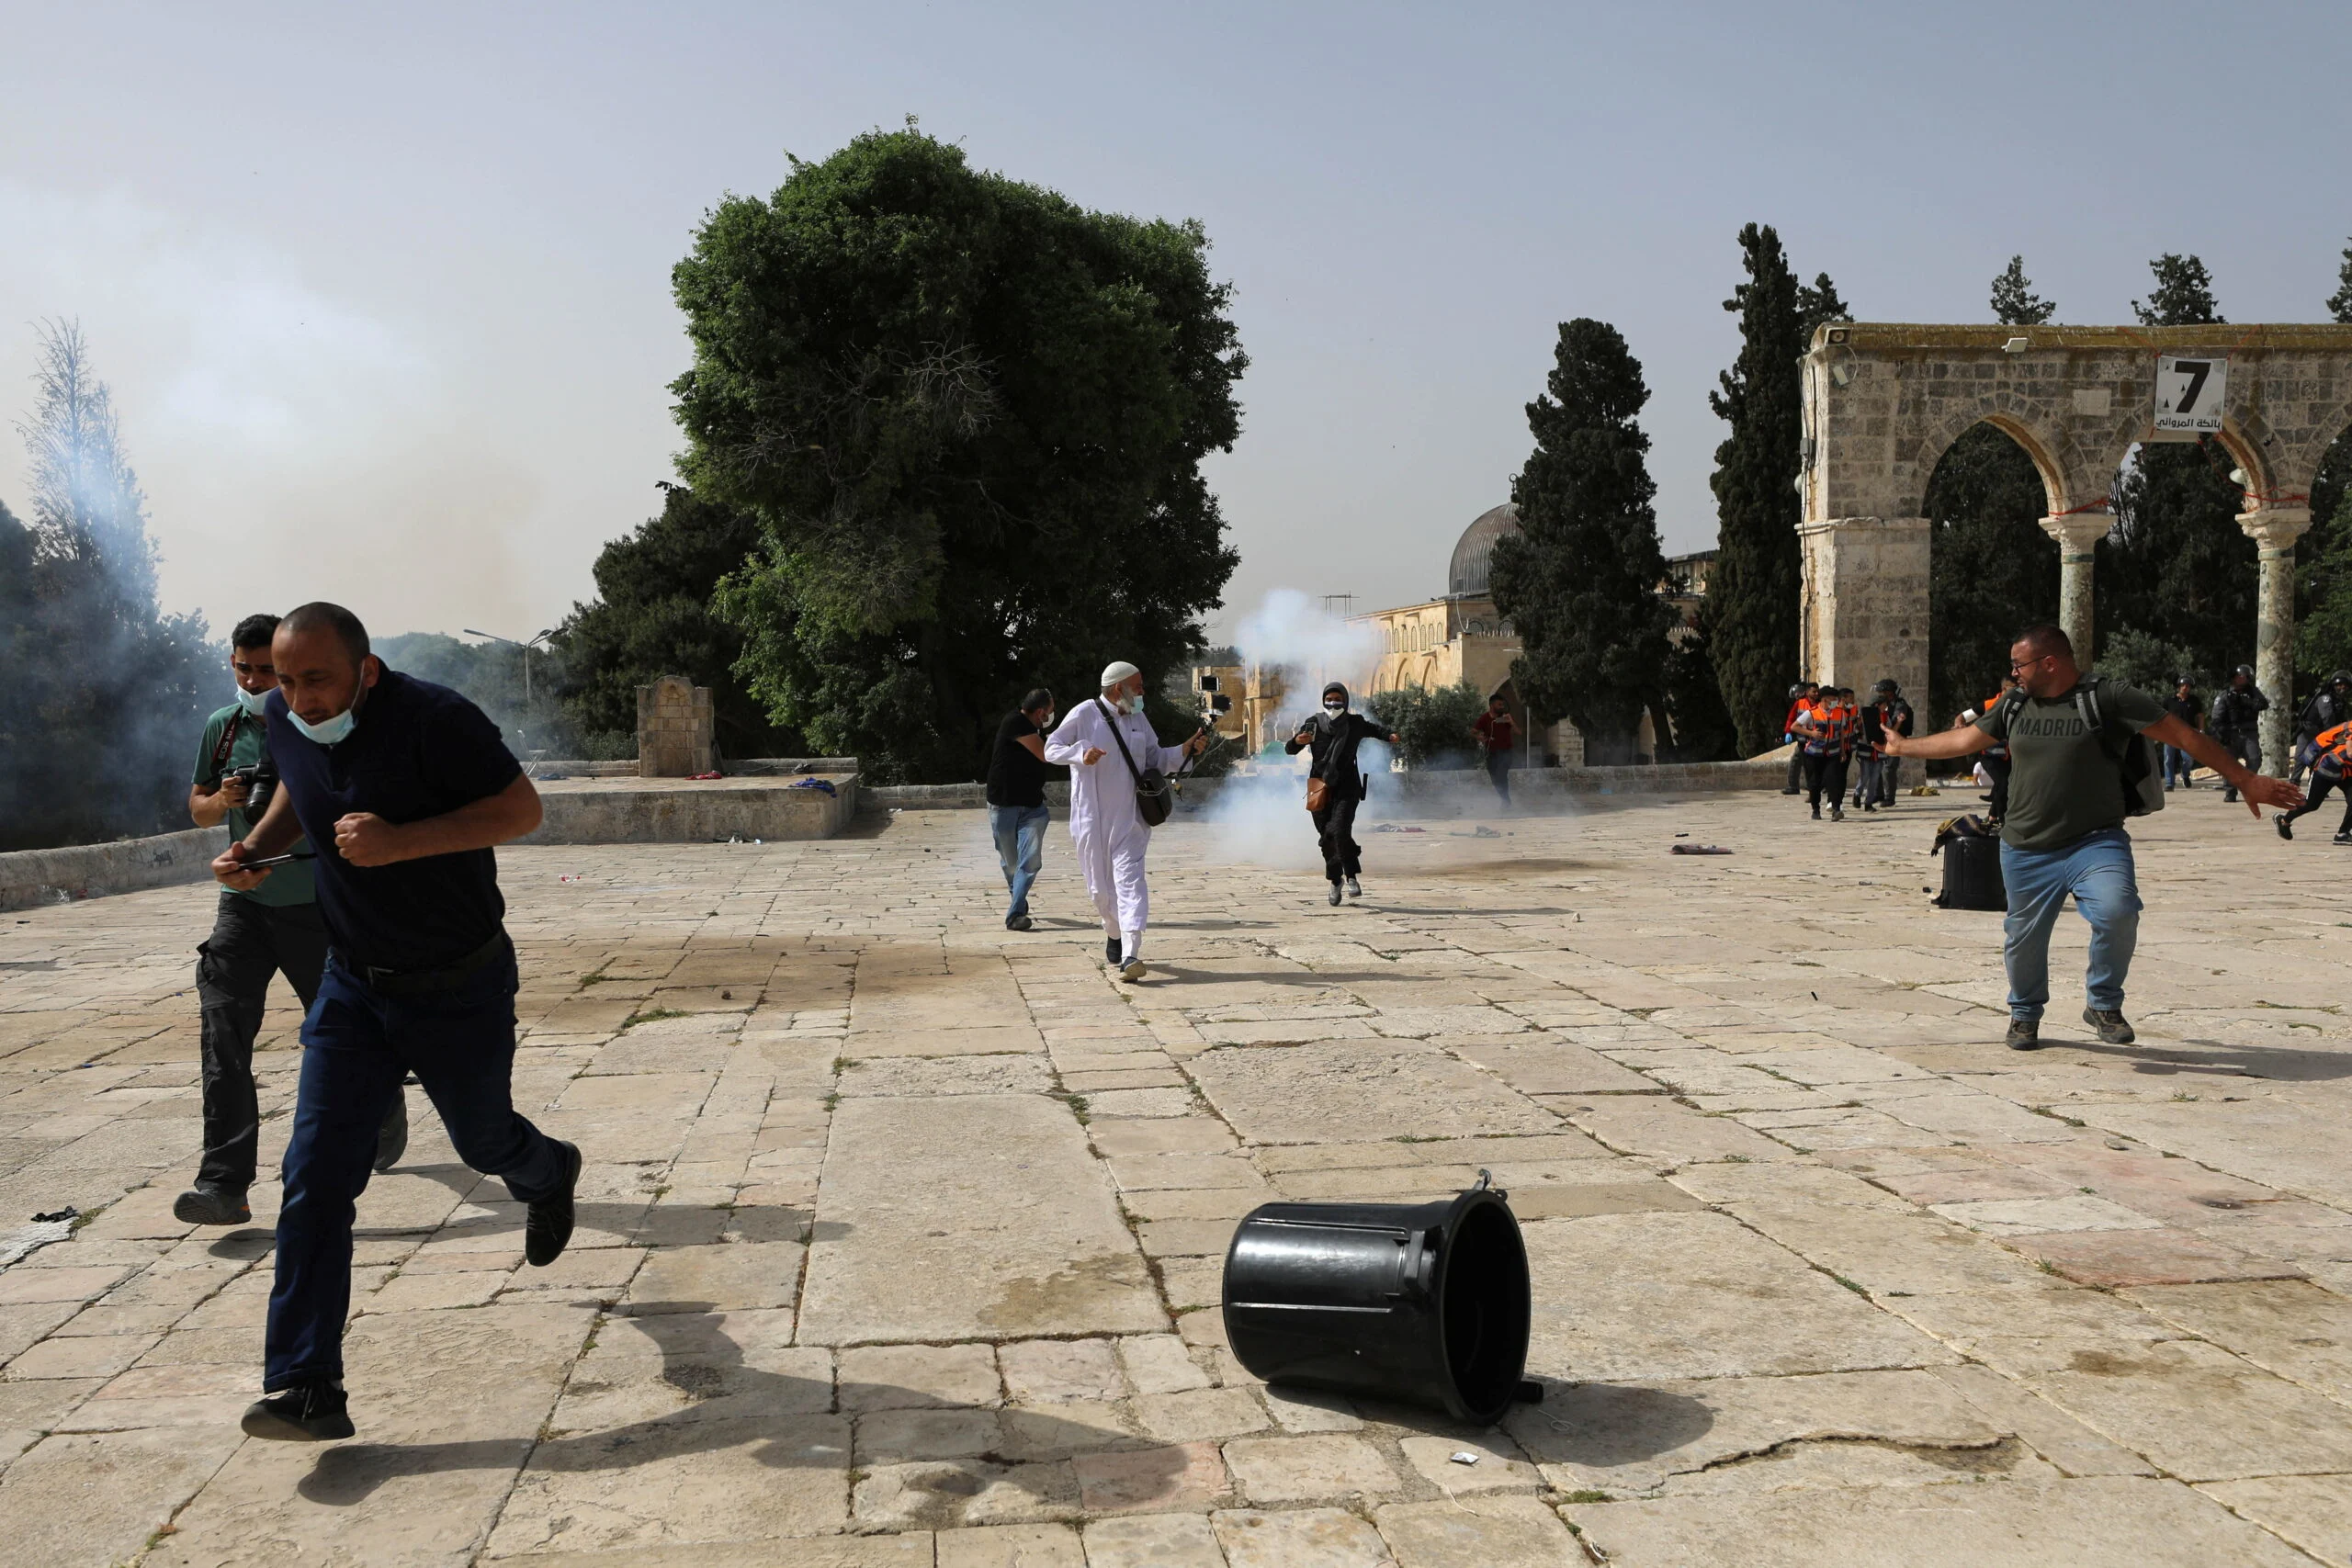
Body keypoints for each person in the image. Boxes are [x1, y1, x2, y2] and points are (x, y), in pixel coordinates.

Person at [211, 603, 582, 1441]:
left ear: (365, 669)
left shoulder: (437, 719)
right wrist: (257, 851)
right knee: (314, 1178)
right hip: (353, 989)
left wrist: (402, 841)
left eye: (318, 679)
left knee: (484, 1141)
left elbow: (522, 810)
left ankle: (547, 1168)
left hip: (459, 982)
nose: (299, 698)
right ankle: (305, 1384)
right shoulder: (281, 716)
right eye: (285, 678)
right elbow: (302, 798)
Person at [1882, 624, 2298, 1052]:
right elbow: (1966, 739)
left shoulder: (2108, 697)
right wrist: (1903, 747)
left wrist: (2245, 779)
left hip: (2095, 840)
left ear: (2049, 663)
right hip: (2025, 845)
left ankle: (2102, 1003)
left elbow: (2184, 736)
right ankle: (2024, 1014)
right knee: (2023, 937)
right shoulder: (2015, 703)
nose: (2013, 673)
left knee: (2118, 911)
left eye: (2018, 664)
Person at [178, 615, 411, 1227]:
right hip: (243, 909)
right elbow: (197, 806)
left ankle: (384, 1104)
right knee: (222, 1031)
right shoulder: (221, 731)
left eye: (266, 672)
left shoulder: (318, 725)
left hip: (315, 906)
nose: (254, 681)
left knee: (341, 1037)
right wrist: (220, 806)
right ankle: (223, 1183)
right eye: (244, 669)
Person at [1044, 661, 1207, 982]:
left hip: (1131, 820)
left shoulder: (1139, 719)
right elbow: (1052, 748)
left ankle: (1131, 953)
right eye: (1139, 685)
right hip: (1091, 821)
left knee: (1131, 883)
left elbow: (1157, 759)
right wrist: (1080, 753)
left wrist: (1186, 749)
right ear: (1119, 688)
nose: (1143, 691)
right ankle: (1114, 932)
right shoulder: (1084, 714)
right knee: (1100, 891)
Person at [1286, 682, 1403, 905]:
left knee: (1339, 829)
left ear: (1345, 701)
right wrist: (1295, 741)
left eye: (1337, 699)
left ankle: (1351, 876)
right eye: (1328, 699)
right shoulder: (1314, 723)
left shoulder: (1354, 723)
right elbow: (1290, 749)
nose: (1332, 703)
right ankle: (1335, 880)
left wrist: (1390, 736)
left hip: (1347, 787)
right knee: (1327, 838)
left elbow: (1375, 729)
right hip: (1319, 787)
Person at [986, 689, 1060, 931]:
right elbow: (1045, 754)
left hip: (1033, 808)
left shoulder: (1034, 728)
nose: (1050, 716)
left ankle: (1015, 914)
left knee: (1029, 861)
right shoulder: (1016, 723)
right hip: (1004, 805)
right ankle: (1017, 895)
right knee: (1010, 863)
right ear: (1040, 712)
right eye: (1049, 712)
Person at [2277, 717, 2352, 843]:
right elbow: (2350, 752)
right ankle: (2284, 820)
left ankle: (2342, 834)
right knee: (2311, 804)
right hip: (2325, 767)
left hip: (2344, 771)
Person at [1960, 676, 2018, 821]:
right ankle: (2002, 819)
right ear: (2004, 689)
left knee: (2005, 785)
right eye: (2014, 688)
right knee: (2004, 783)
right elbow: (1964, 716)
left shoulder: (2019, 704)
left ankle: (1992, 817)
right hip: (1990, 755)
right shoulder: (1991, 704)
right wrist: (1959, 724)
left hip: (2007, 755)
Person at [2210, 664, 2269, 804]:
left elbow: (2263, 704)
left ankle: (2246, 785)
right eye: (2240, 677)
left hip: (2249, 733)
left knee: (2255, 759)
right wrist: (2221, 733)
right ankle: (2230, 790)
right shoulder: (2225, 695)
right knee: (2228, 763)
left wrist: (2249, 702)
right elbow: (2216, 717)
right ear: (2234, 678)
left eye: (2246, 677)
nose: (2243, 679)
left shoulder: (2253, 692)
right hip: (2231, 733)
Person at [1795, 685, 1854, 821]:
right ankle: (1816, 809)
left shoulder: (1839, 713)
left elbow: (1841, 734)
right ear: (1824, 699)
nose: (1834, 702)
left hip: (1832, 753)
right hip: (1814, 754)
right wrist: (1811, 733)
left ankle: (1836, 809)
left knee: (1834, 781)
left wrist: (1843, 751)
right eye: (1832, 700)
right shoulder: (1812, 713)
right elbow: (1795, 726)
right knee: (1814, 783)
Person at [2289, 671, 2352, 785]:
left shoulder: (2340, 701)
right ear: (2334, 685)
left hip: (2323, 733)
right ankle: (2294, 781)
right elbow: (2327, 718)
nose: (2342, 688)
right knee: (2302, 757)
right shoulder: (2325, 698)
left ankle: (2315, 783)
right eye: (2339, 685)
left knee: (2320, 758)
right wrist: (2333, 734)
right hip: (2309, 731)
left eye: (2345, 686)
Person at [1863, 679, 1914, 807]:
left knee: (1889, 769)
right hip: (1882, 739)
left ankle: (1890, 797)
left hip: (1896, 739)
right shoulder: (1881, 703)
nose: (1879, 694)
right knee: (1878, 767)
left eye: (1881, 692)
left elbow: (1896, 721)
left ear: (1889, 693)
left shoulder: (1899, 705)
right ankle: (1878, 794)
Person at [1472, 695, 1517, 803]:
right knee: (1495, 779)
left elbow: (1518, 732)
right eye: (1499, 704)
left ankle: (1506, 801)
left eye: (1502, 705)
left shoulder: (1505, 718)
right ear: (1492, 705)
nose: (1502, 707)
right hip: (1491, 752)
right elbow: (1473, 731)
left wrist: (1511, 722)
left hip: (1506, 752)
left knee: (1501, 774)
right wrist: (1479, 737)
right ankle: (1505, 799)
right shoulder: (1484, 718)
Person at [2161, 677, 2201, 791]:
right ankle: (2169, 783)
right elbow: (2162, 716)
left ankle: (2185, 775)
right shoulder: (2169, 700)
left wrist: (2201, 730)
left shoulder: (2194, 701)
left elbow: (2200, 716)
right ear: (2179, 686)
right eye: (2183, 685)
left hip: (2188, 733)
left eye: (2188, 686)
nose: (2185, 687)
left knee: (2188, 759)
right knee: (2168, 758)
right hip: (2171, 733)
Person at [1781, 682, 1819, 795]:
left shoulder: (1821, 704)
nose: (1816, 694)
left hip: (1817, 740)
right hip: (1803, 740)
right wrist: (1788, 732)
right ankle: (1793, 786)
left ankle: (1814, 787)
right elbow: (1791, 719)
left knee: (1814, 765)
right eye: (1814, 692)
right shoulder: (1800, 703)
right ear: (1807, 693)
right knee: (1796, 762)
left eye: (1817, 692)